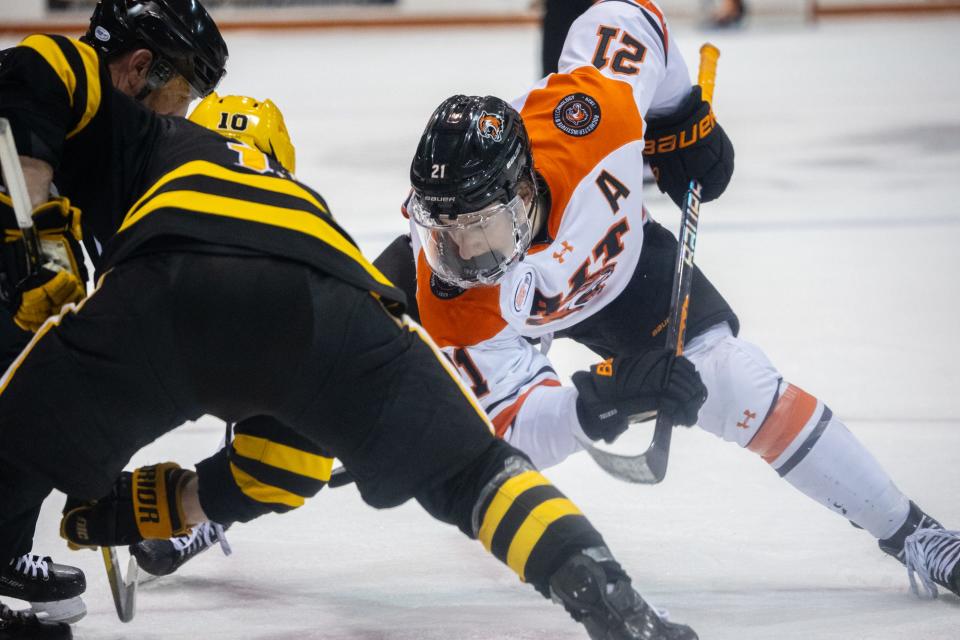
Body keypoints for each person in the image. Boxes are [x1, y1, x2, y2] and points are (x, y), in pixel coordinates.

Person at [0, 32, 700, 640]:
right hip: (324, 297)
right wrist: (166, 502)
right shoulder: (309, 209)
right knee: (473, 474)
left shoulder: (158, 137)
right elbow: (288, 464)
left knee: (13, 443)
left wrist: (42, 230)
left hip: (158, 293)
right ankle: (614, 604)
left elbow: (34, 69)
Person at [389, 0, 958, 601]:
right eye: (444, 233)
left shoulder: (591, 118)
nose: (465, 253)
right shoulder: (451, 286)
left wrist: (679, 119)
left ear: (524, 190)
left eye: (481, 226)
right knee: (358, 349)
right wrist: (600, 400)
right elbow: (510, 426)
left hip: (621, 269)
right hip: (519, 322)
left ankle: (913, 533)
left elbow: (630, 17)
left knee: (738, 382)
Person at [0, 1, 227, 636]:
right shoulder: (68, 68)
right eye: (182, 92)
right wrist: (36, 238)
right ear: (140, 67)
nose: (181, 114)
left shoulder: (117, 172)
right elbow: (25, 101)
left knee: (48, 383)